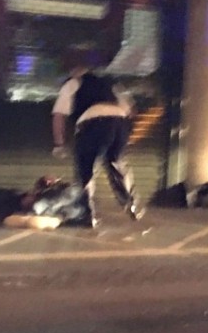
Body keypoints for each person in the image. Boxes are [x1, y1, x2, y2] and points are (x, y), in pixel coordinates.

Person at [51, 49, 141, 227]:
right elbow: (131, 110)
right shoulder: (111, 83)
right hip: (119, 122)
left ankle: (86, 214)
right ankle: (131, 204)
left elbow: (59, 116)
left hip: (93, 123)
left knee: (86, 168)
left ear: (72, 69)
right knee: (116, 163)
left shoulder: (73, 83)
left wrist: (59, 144)